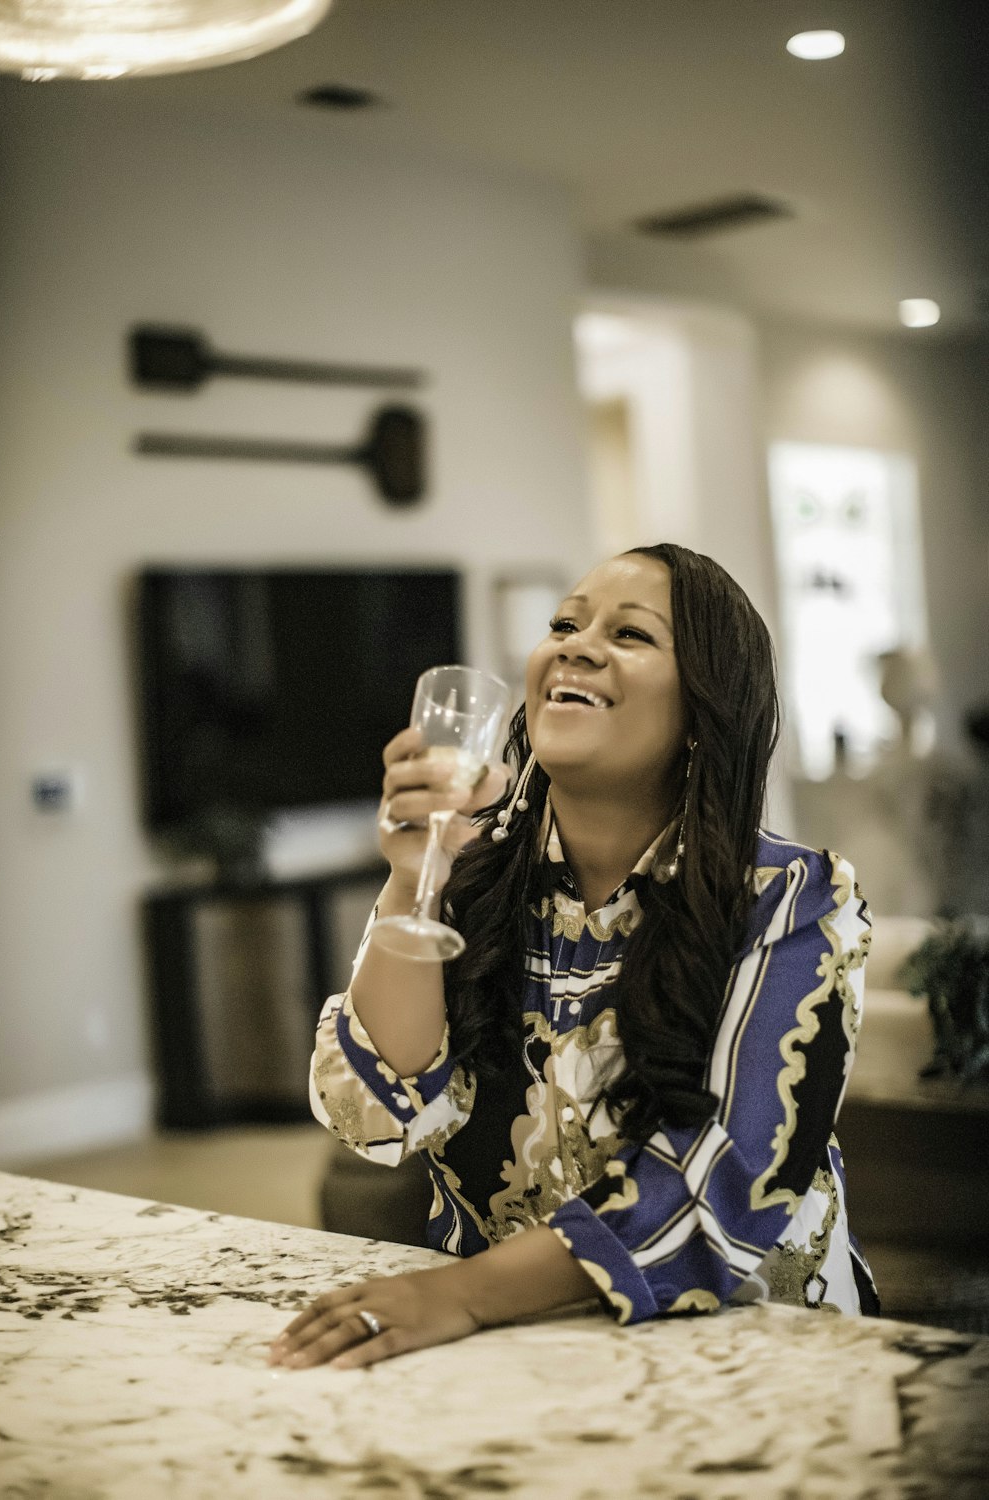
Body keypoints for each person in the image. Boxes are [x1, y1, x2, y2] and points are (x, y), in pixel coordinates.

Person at [268, 543, 878, 1372]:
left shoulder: (793, 898)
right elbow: (378, 1113)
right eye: (564, 623)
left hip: (749, 1352)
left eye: (631, 635)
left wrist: (459, 1295)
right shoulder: (471, 878)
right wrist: (417, 877)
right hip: (498, 1354)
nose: (576, 644)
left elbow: (720, 1196)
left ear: (704, 712)